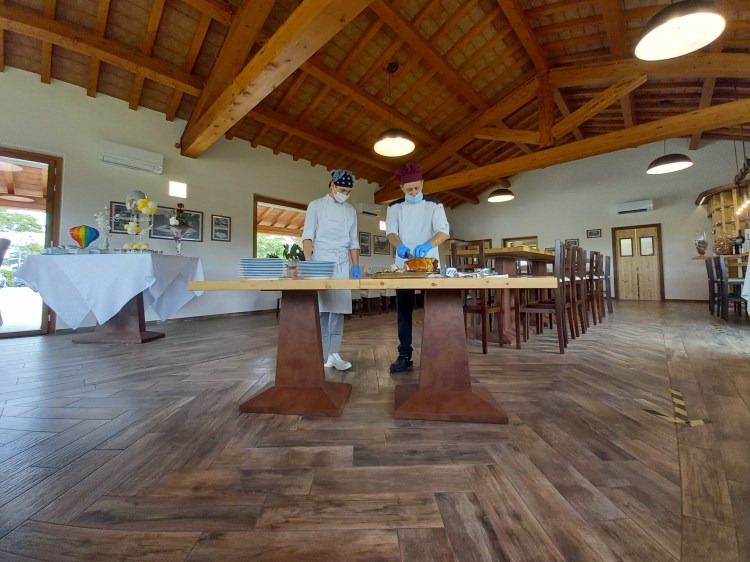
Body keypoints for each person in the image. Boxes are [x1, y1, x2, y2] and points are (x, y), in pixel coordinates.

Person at [385, 163, 450, 373]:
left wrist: (428, 245)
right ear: (401, 188)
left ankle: (437, 353)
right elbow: (391, 233)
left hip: (429, 264)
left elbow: (443, 232)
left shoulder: (434, 205)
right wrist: (400, 246)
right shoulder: (394, 207)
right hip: (404, 265)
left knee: (435, 309)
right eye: (409, 189)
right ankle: (404, 354)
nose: (413, 192)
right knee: (404, 312)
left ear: (422, 183)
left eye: (417, 188)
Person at [301, 169, 361, 371]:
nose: (346, 194)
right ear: (332, 185)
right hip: (321, 263)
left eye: (349, 191)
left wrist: (355, 266)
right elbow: (308, 236)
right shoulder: (316, 206)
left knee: (339, 310)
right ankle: (321, 353)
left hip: (342, 263)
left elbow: (354, 241)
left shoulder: (351, 211)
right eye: (342, 190)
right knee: (322, 310)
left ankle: (334, 353)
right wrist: (309, 261)